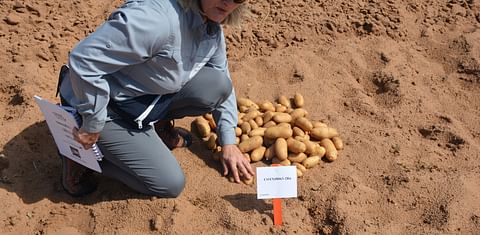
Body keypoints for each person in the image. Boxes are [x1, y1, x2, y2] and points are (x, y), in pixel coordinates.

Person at [57, 0, 254, 197]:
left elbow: (222, 75)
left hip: (142, 97)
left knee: (217, 86)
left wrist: (228, 142)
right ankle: (82, 157)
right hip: (104, 105)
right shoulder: (156, 21)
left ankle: (157, 127)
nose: (229, 2)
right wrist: (92, 124)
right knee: (169, 184)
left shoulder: (209, 24)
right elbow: (83, 60)